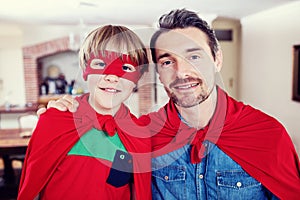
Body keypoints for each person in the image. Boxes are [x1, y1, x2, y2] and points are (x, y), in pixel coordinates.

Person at [39, 9, 300, 199]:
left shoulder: (268, 135)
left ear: (216, 59)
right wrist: (70, 112)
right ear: (157, 72)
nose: (181, 72)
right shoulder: (143, 135)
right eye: (167, 61)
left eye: (194, 55)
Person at [18, 25, 151, 200]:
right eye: (101, 64)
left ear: (138, 78)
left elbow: (136, 193)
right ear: (85, 70)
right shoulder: (54, 121)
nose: (112, 77)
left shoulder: (138, 136)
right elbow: (32, 188)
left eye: (126, 68)